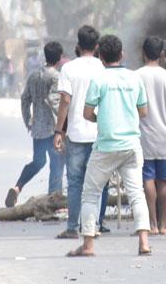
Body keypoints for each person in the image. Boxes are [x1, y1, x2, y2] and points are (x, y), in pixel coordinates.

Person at [66, 35, 151, 257]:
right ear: (121, 55)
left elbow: (87, 113)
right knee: (136, 194)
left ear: (101, 57)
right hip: (131, 145)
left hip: (105, 146)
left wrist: (100, 118)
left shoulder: (99, 80)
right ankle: (144, 242)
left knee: (90, 194)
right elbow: (143, 111)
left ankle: (88, 246)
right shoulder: (135, 79)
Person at [53, 25, 109, 239]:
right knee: (97, 183)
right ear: (96, 47)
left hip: (76, 134)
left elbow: (65, 100)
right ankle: (93, 226)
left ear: (77, 45)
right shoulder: (103, 69)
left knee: (75, 182)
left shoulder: (68, 69)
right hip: (99, 134)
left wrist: (59, 130)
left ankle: (72, 227)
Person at [135, 36, 166, 235]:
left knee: (147, 179)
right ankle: (165, 225)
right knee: (165, 180)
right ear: (162, 54)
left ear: (143, 53)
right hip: (165, 137)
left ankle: (152, 224)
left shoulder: (136, 76)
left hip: (143, 136)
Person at [6, 41, 64, 207]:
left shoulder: (33, 75)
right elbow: (54, 101)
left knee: (38, 162)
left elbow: (25, 100)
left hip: (37, 129)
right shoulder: (56, 77)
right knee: (56, 163)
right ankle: (54, 200)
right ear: (59, 58)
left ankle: (18, 187)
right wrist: (64, 124)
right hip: (53, 128)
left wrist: (28, 120)